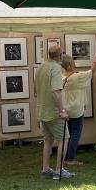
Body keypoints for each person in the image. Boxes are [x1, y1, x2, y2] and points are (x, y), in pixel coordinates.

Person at [34, 44, 71, 180]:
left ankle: (45, 170)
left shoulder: (41, 67)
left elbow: (35, 91)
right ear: (60, 56)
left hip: (42, 111)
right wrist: (62, 111)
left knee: (48, 141)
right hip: (53, 112)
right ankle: (59, 170)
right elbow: (55, 92)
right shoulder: (55, 68)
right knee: (64, 139)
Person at [61, 55, 96, 166]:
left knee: (68, 135)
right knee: (75, 134)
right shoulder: (76, 77)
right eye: (72, 61)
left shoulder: (62, 77)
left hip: (66, 109)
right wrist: (95, 62)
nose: (74, 62)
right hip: (76, 109)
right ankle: (70, 159)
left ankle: (65, 158)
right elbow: (90, 72)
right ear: (69, 65)